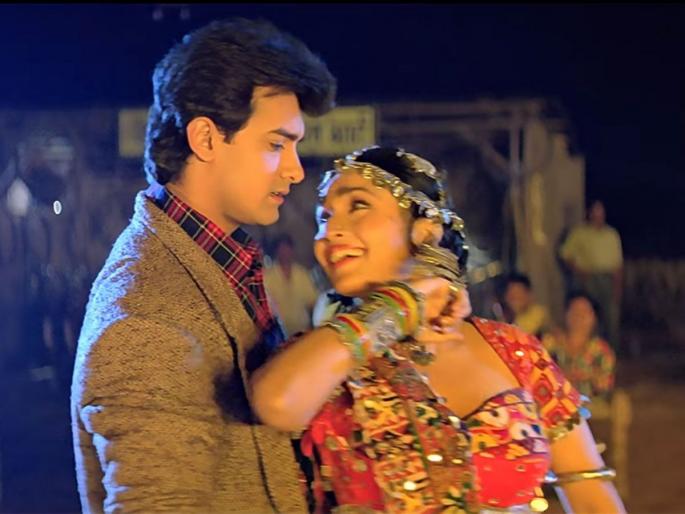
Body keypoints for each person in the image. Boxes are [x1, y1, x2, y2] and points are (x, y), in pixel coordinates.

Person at [251, 146, 626, 513]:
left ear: (425, 231)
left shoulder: (513, 351)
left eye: (358, 206)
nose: (329, 232)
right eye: (324, 217)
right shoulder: (325, 360)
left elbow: (592, 497)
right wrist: (402, 305)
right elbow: (277, 403)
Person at [70, 18, 336, 513]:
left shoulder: (218, 262)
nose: (296, 169)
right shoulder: (146, 319)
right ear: (207, 139)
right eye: (276, 144)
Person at [560, 200, 623, 353]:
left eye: (600, 211)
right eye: (595, 211)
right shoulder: (580, 233)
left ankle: (611, 352)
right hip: (588, 279)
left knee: (610, 316)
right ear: (589, 213)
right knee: (589, 316)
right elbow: (565, 254)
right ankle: (589, 352)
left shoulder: (611, 234)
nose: (598, 215)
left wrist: (617, 286)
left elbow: (618, 264)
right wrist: (579, 271)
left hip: (607, 279)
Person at [543, 292, 616, 412]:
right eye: (574, 311)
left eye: (584, 312)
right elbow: (538, 370)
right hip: (552, 403)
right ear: (566, 315)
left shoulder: (601, 350)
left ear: (594, 318)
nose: (578, 317)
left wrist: (588, 375)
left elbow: (606, 384)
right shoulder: (551, 343)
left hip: (590, 408)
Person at [264, 234, 320, 336]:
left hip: (302, 329)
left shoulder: (302, 273)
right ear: (277, 251)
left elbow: (313, 301)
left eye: (287, 249)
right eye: (281, 250)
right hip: (278, 332)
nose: (285, 253)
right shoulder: (268, 276)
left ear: (292, 251)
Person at [500, 272, 550, 338]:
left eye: (518, 293)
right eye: (512, 296)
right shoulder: (514, 318)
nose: (515, 300)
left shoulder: (538, 312)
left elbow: (525, 334)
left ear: (529, 293)